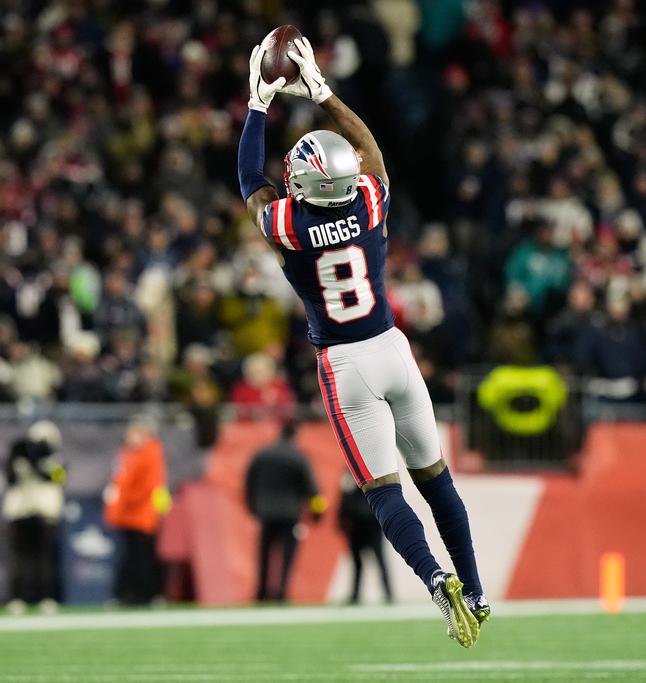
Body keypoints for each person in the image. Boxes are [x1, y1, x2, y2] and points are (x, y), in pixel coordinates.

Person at [238, 36, 487, 648]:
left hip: (345, 365)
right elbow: (370, 149)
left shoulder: (291, 226)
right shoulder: (370, 201)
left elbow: (251, 180)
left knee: (383, 494)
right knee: (437, 480)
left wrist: (258, 105)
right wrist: (321, 91)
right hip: (394, 351)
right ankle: (476, 591)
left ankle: (436, 581)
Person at [244, 421, 326, 602]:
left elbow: (249, 482)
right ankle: (281, 593)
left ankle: (261, 593)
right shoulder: (298, 456)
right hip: (290, 513)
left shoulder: (262, 453)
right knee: (287, 557)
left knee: (264, 554)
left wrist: (252, 506)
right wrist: (317, 512)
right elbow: (311, 487)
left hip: (265, 511)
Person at [103, 414, 172, 606]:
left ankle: (146, 595)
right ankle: (127, 595)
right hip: (128, 514)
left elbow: (149, 486)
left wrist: (127, 502)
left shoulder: (151, 453)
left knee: (142, 556)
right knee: (130, 555)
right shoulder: (127, 454)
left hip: (142, 513)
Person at [2, 420, 66, 615]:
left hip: (45, 512)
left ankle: (45, 598)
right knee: (20, 558)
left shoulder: (58, 460)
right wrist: (18, 457)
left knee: (43, 558)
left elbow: (56, 478)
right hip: (21, 511)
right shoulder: (20, 456)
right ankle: (18, 598)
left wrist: (40, 461)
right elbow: (10, 479)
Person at [338, 471, 392, 604]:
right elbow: (344, 500)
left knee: (379, 560)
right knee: (358, 562)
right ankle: (356, 594)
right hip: (357, 525)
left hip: (370, 524)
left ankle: (388, 593)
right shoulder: (349, 475)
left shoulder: (370, 473)